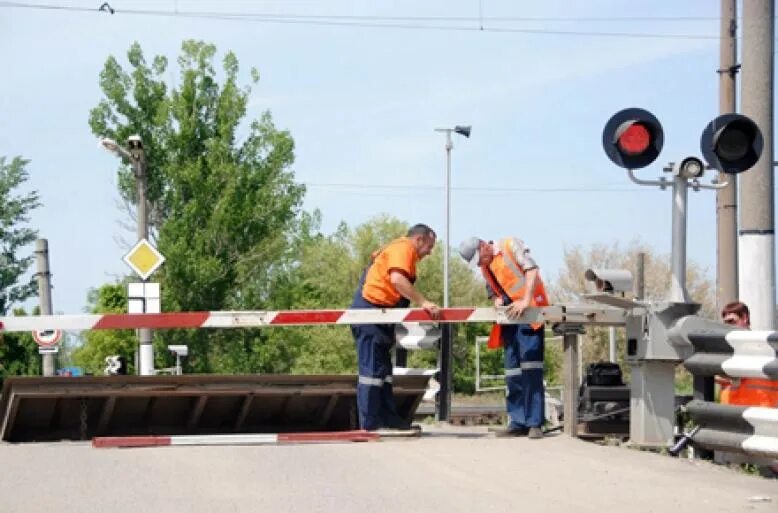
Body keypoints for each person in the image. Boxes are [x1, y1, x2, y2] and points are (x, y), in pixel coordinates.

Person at [350, 224, 441, 431]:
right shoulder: (403, 249)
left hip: (380, 314)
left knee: (383, 373)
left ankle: (388, 420)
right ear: (419, 239)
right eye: (429, 246)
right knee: (371, 373)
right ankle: (370, 426)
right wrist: (423, 302)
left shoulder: (398, 250)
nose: (430, 252)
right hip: (370, 313)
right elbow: (397, 280)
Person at [458, 236, 550, 439]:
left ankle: (535, 423)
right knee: (513, 371)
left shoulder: (510, 245)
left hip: (529, 312)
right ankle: (517, 422)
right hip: (509, 318)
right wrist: (496, 299)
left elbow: (532, 270)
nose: (480, 264)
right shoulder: (486, 266)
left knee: (531, 369)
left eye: (479, 259)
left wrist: (525, 300)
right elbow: (493, 288)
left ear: (483, 246)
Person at [719, 301, 778, 407]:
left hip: (759, 410)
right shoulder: (726, 347)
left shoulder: (761, 345)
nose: (728, 326)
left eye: (732, 321)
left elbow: (736, 375)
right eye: (726, 323)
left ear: (745, 318)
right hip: (730, 410)